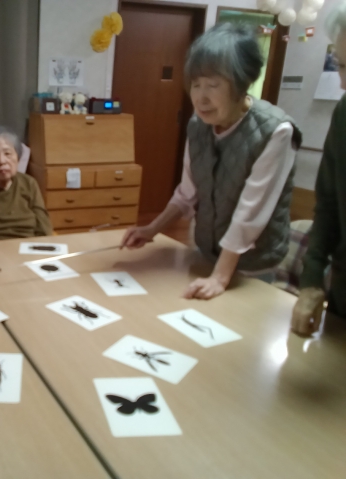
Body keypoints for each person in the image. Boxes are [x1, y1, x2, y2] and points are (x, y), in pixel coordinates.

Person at [121, 23, 301, 300]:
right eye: (196, 85)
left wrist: (220, 276)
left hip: (253, 263)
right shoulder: (198, 125)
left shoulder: (277, 131)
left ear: (242, 83)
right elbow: (187, 193)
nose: (200, 98)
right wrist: (151, 229)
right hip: (207, 251)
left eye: (213, 85)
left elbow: (250, 214)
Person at [292, 2, 346, 336]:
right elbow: (328, 205)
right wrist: (312, 281)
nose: (343, 84)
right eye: (342, 65)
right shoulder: (344, 114)